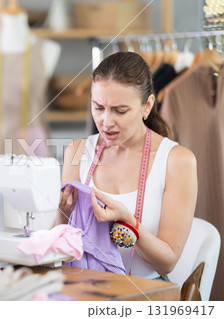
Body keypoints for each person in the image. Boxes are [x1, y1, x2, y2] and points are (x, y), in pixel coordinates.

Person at [56, 52, 198, 279]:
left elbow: (167, 264)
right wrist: (63, 215)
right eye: (98, 107)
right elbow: (60, 244)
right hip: (83, 285)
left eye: (120, 111)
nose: (106, 121)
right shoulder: (77, 152)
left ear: (147, 106)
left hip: (144, 291)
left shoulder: (177, 161)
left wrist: (130, 223)